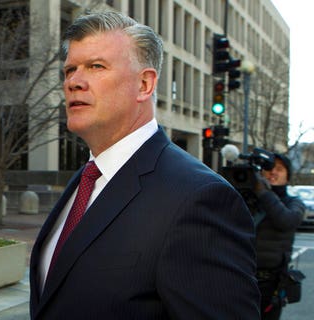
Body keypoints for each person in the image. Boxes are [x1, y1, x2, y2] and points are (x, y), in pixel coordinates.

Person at [29, 11, 260, 319]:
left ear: (144, 84)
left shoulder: (199, 199)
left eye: (96, 66)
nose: (74, 82)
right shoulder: (85, 180)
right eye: (70, 69)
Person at [253, 153, 305, 319]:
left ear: (287, 177)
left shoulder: (294, 203)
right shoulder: (250, 200)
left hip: (271, 283)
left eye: (279, 169)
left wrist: (265, 193)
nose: (273, 172)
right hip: (241, 278)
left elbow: (287, 220)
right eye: (268, 169)